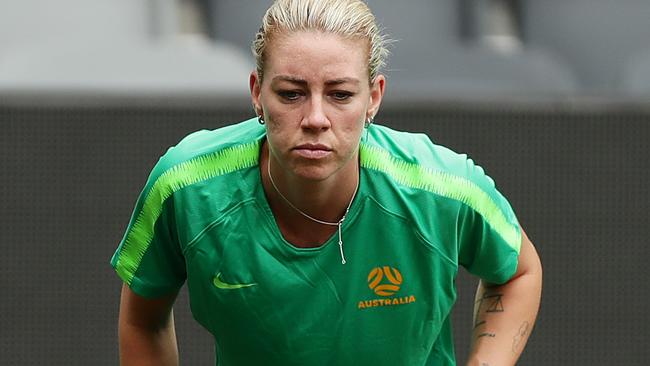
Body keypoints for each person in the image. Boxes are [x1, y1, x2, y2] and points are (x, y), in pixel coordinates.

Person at [111, 0, 543, 365]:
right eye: (291, 93)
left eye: (340, 94)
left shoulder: (442, 188)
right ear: (257, 92)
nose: (316, 118)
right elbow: (142, 321)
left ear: (373, 98)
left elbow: (519, 270)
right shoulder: (186, 185)